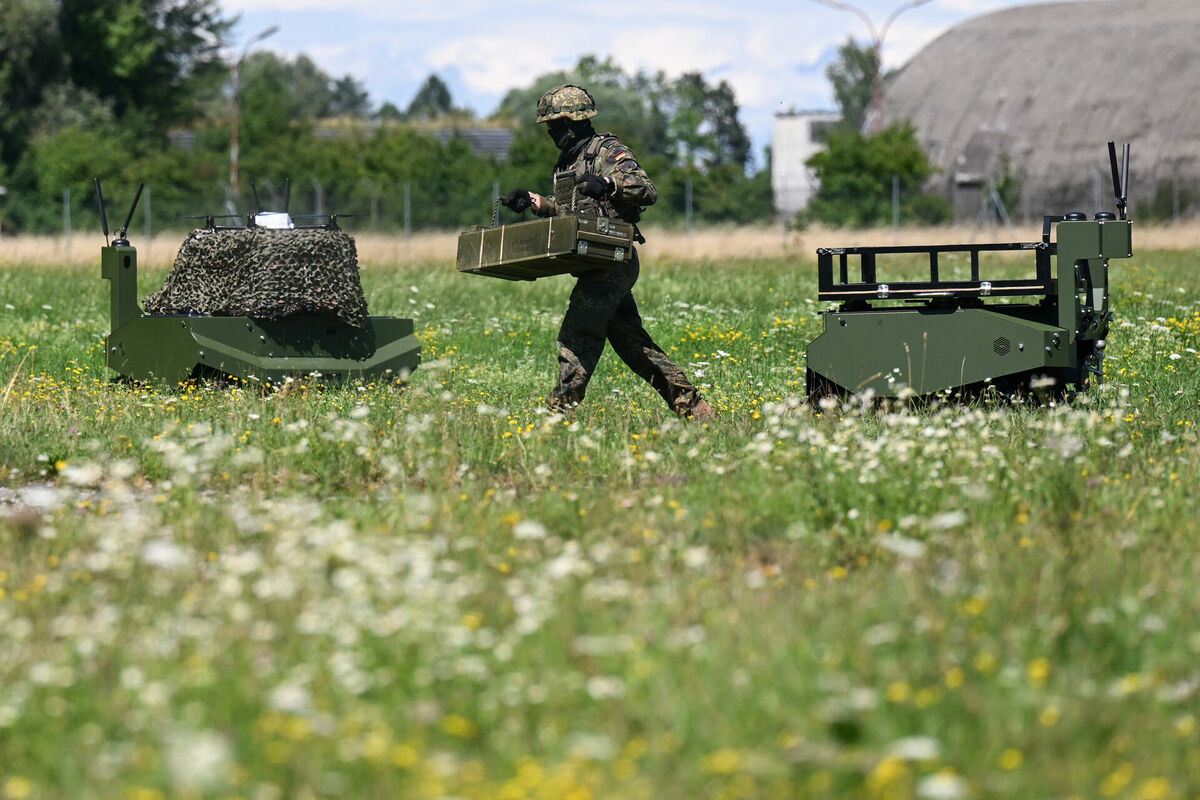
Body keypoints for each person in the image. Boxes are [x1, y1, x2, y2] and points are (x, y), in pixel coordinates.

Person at [500, 83, 716, 421]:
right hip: (592, 260)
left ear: (571, 122)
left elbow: (647, 190)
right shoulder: (567, 162)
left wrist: (611, 184)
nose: (552, 133)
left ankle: (560, 410)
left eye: (555, 125)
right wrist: (535, 202)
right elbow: (570, 213)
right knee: (635, 347)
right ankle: (695, 409)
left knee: (577, 334)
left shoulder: (607, 151)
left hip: (614, 260)